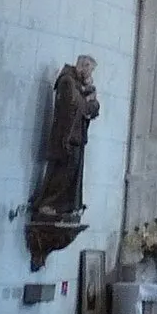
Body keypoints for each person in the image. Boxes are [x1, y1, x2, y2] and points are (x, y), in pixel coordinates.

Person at [30, 55, 100, 222]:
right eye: (89, 70)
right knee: (62, 173)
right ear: (83, 66)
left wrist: (91, 98)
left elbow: (91, 107)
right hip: (66, 137)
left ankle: (64, 207)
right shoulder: (67, 81)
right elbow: (75, 106)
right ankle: (49, 204)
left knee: (72, 175)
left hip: (76, 137)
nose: (90, 75)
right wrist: (89, 102)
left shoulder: (78, 85)